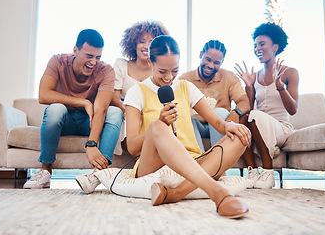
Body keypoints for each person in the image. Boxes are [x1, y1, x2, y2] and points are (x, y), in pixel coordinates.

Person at [125, 35, 251, 218]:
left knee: (239, 136)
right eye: (162, 71)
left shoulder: (186, 87)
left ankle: (175, 193)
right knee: (156, 126)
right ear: (150, 62)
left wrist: (228, 126)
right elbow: (132, 147)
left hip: (192, 160)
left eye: (174, 70)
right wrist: (161, 123)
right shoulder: (137, 92)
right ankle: (219, 194)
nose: (169, 78)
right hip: (153, 164)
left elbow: (216, 122)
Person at [24, 29, 123, 189]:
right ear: (75, 50)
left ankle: (97, 174)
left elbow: (101, 109)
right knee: (55, 109)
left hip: (88, 122)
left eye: (98, 57)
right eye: (89, 56)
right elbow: (43, 95)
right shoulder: (58, 61)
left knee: (115, 112)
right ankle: (45, 172)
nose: (93, 62)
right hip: (65, 121)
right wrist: (83, 102)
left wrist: (92, 144)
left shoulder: (106, 71)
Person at [234, 22, 299, 189]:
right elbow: (248, 108)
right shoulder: (254, 76)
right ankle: (253, 172)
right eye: (255, 45)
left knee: (254, 116)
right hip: (258, 127)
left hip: (281, 129)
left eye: (262, 44)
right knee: (242, 117)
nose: (257, 48)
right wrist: (249, 86)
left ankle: (268, 173)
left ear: (275, 47)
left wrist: (280, 87)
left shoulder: (289, 72)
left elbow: (293, 110)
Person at [180, 40, 250, 153]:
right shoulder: (185, 79)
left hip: (221, 124)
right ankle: (198, 159)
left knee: (220, 112)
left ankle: (218, 159)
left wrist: (236, 112)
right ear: (200, 54)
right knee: (184, 115)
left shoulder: (228, 77)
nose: (211, 65)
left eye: (216, 62)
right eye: (208, 59)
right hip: (197, 126)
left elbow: (244, 101)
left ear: (222, 62)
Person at [110, 21, 169, 155]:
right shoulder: (121, 65)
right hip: (127, 113)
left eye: (152, 42)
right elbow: (114, 98)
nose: (147, 46)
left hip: (152, 114)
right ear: (133, 44)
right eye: (142, 41)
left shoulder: (160, 70)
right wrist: (129, 112)